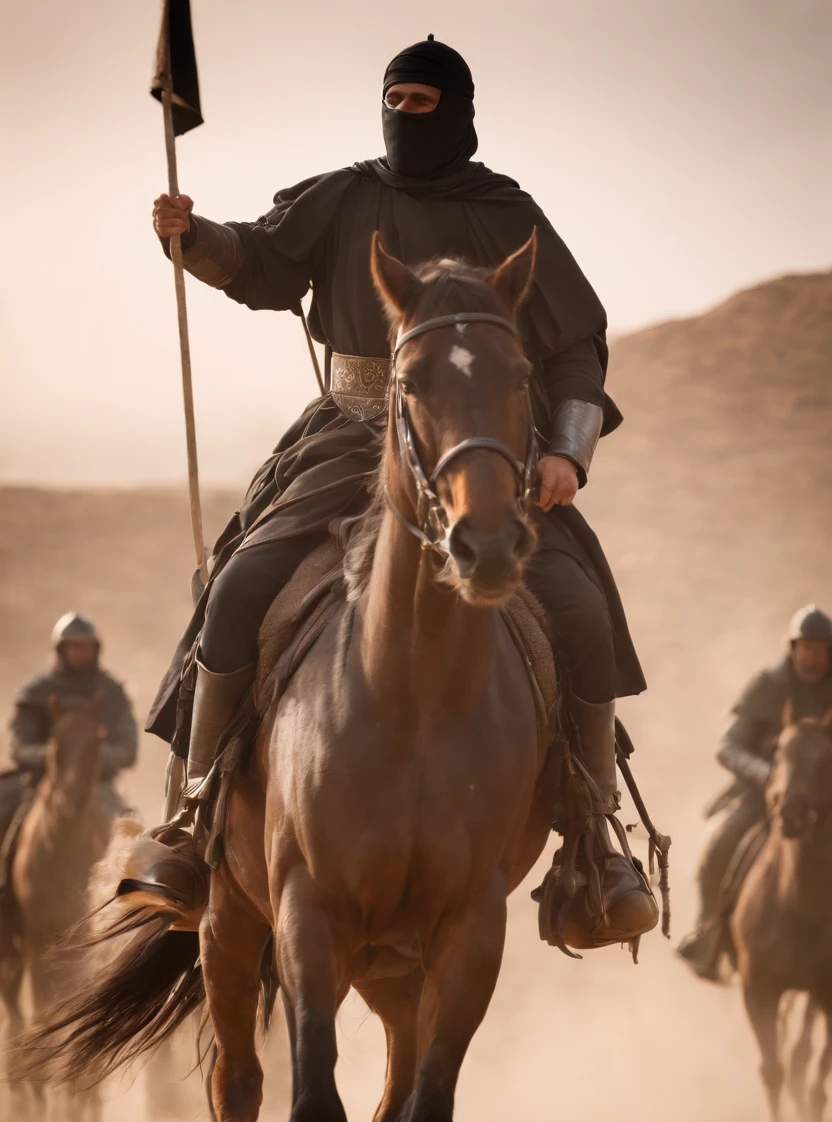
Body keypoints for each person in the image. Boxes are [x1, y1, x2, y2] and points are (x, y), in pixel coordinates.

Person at [148, 36, 654, 947]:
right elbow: (261, 263)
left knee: (578, 610)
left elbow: (576, 345)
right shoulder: (343, 196)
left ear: (459, 111)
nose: (404, 116)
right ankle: (194, 818)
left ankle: (594, 840)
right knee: (237, 589)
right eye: (394, 100)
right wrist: (197, 238)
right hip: (350, 436)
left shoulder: (508, 213)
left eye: (423, 102)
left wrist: (568, 455)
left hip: (490, 449)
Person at [678, 604, 832, 979]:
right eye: (806, 648)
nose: (812, 657)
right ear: (793, 648)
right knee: (719, 847)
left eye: (820, 649)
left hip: (824, 801)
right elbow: (728, 745)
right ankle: (709, 936)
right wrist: (771, 777)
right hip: (764, 795)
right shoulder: (769, 685)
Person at [0, 613, 138, 884]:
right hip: (40, 782)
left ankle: (129, 899)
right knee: (5, 815)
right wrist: (55, 755)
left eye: (85, 646)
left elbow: (127, 749)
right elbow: (19, 747)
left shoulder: (113, 692)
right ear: (61, 650)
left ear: (95, 649)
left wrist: (89, 758)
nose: (79, 652)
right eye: (73, 646)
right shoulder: (37, 691)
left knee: (130, 838)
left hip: (98, 786)